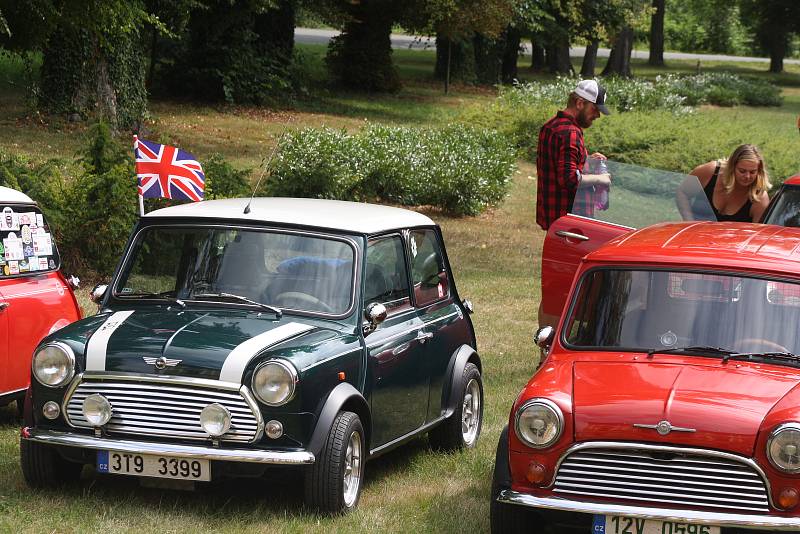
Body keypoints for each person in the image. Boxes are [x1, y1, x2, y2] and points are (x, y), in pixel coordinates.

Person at [536, 79, 612, 231]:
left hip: (554, 216)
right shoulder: (571, 132)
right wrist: (601, 178)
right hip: (571, 223)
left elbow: (558, 163)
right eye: (595, 109)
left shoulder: (551, 125)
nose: (598, 115)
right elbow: (569, 179)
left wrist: (587, 160)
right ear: (579, 103)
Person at [678, 144, 771, 223]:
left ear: (759, 172)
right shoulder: (710, 172)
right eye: (742, 171)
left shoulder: (759, 198)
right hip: (694, 236)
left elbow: (757, 236)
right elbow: (682, 192)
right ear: (732, 167)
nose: (747, 176)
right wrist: (689, 221)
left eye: (752, 172)